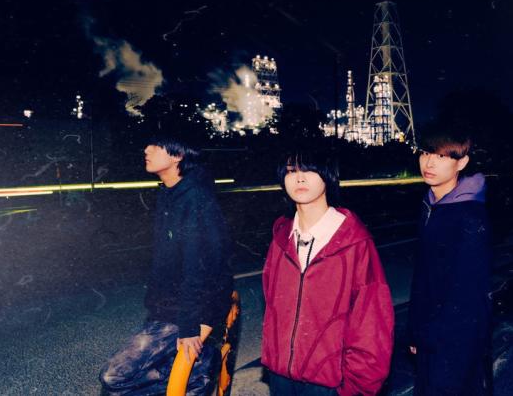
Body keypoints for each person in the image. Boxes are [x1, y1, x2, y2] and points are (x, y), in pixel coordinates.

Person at [99, 128, 233, 395]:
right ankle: (199, 371)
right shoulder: (169, 193)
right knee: (153, 375)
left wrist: (190, 326)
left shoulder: (195, 198)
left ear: (177, 155)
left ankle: (201, 370)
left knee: (114, 377)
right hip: (167, 308)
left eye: (156, 146)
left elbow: (199, 267)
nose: (146, 150)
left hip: (188, 310)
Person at [261, 148, 395, 395]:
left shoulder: (354, 243)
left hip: (330, 384)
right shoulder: (281, 240)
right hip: (281, 379)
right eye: (291, 171)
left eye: (309, 170)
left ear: (328, 176)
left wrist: (355, 388)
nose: (299, 178)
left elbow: (371, 324)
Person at [407, 126, 493, 395]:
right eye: (425, 153)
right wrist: (415, 331)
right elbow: (423, 276)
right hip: (431, 333)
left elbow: (468, 294)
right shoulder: (432, 204)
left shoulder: (469, 215)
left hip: (454, 341)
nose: (429, 163)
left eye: (442, 156)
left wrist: (438, 341)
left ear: (462, 162)